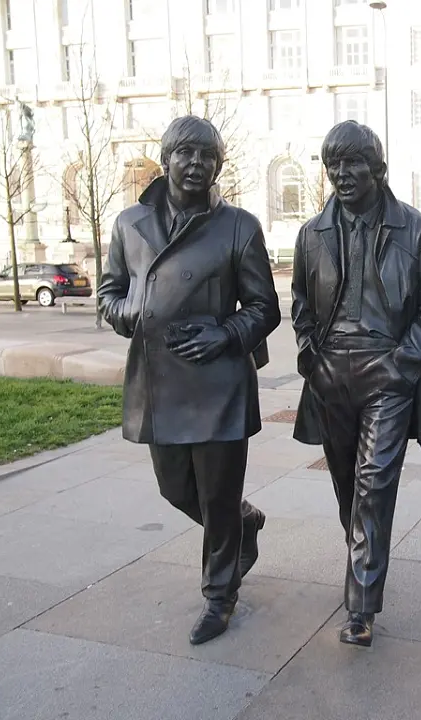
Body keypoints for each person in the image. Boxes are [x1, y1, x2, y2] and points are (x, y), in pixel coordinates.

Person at [99, 115, 281, 646]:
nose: (196, 164)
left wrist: (226, 335)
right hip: (160, 383)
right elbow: (109, 293)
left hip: (219, 380)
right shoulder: (130, 223)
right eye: (186, 154)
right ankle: (244, 523)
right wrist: (123, 312)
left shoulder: (238, 226)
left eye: (207, 156)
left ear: (218, 165)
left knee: (217, 496)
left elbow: (264, 308)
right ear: (166, 159)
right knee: (175, 487)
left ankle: (219, 596)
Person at [290, 120, 421, 647]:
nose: (342, 174)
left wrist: (404, 362)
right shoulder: (311, 233)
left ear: (378, 170)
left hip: (387, 371)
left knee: (373, 484)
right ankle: (364, 557)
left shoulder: (415, 230)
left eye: (353, 163)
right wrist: (310, 353)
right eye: (333, 164)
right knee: (347, 486)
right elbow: (299, 302)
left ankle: (361, 606)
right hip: (331, 373)